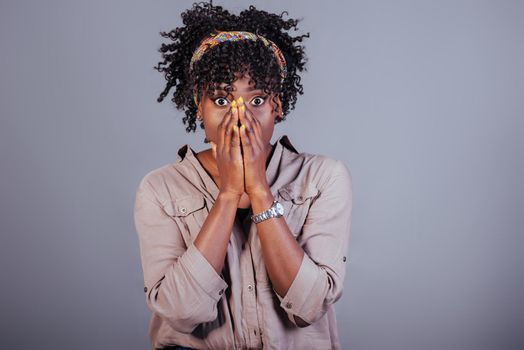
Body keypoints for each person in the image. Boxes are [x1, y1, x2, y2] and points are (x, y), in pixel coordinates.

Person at [133, 1, 353, 349]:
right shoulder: (160, 188)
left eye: (256, 100)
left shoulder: (323, 177)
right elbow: (179, 312)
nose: (239, 117)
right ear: (199, 108)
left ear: (277, 106)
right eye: (221, 101)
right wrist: (229, 195)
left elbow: (309, 307)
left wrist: (261, 191)